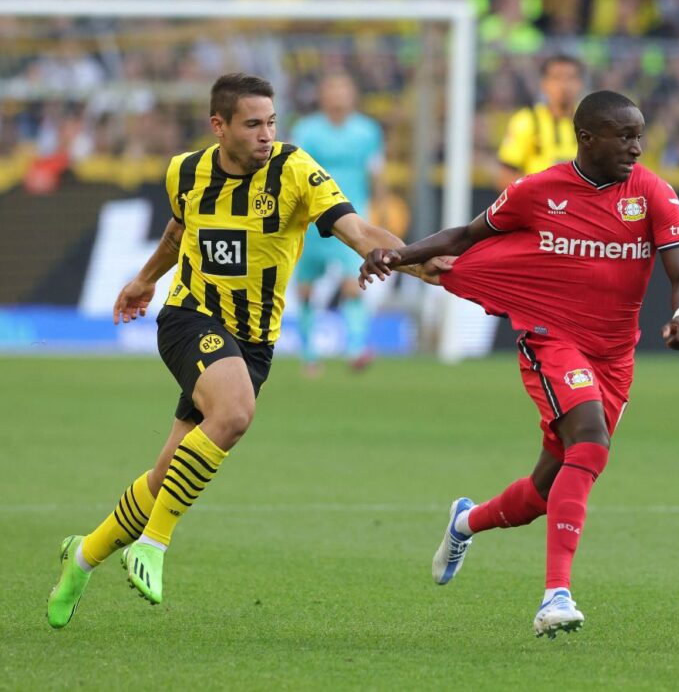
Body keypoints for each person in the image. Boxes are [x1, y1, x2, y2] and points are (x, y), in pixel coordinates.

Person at [46, 73, 443, 628]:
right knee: (233, 413)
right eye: (253, 124)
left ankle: (82, 557)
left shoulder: (295, 170)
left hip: (252, 343)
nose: (266, 134)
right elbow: (181, 230)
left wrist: (425, 261)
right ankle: (154, 545)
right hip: (190, 318)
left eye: (272, 122)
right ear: (220, 126)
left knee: (167, 476)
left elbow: (358, 231)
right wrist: (145, 280)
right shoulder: (185, 171)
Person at [360, 90, 679, 638]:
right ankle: (555, 596)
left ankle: (464, 521)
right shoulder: (538, 190)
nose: (637, 148)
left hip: (614, 355)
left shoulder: (654, 195)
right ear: (587, 138)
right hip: (549, 337)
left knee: (544, 494)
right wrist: (396, 255)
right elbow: (467, 237)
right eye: (626, 136)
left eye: (640, 135)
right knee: (590, 443)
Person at [291, 73, 387, 373]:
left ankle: (356, 348)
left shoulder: (367, 131)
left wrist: (381, 212)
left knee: (352, 282)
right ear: (322, 95)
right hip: (311, 219)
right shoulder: (306, 130)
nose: (338, 96)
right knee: (306, 289)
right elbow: (291, 174)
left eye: (344, 89)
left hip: (352, 217)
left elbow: (377, 174)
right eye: (332, 89)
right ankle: (308, 354)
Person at [496, 54, 584, 190]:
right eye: (557, 78)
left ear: (580, 83)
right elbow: (505, 175)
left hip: (580, 206)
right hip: (539, 207)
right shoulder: (526, 121)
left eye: (570, 78)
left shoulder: (592, 121)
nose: (564, 85)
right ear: (544, 84)